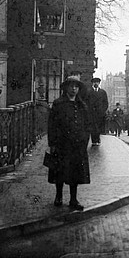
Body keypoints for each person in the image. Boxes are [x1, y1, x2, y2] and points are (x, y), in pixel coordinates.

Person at [47, 75, 91, 211]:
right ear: (66, 87)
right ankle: (58, 196)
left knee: (75, 173)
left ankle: (73, 199)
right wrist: (52, 143)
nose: (73, 89)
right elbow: (52, 125)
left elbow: (87, 125)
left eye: (76, 86)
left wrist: (85, 140)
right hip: (62, 145)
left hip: (77, 145)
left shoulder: (82, 105)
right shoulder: (58, 104)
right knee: (60, 171)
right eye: (71, 86)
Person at [84, 77, 109, 146]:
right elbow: (85, 102)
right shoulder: (88, 92)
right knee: (93, 127)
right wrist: (88, 110)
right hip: (91, 113)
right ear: (92, 83)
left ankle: (97, 139)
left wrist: (103, 110)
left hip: (100, 113)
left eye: (97, 82)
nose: (96, 84)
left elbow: (105, 103)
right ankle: (94, 140)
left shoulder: (103, 92)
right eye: (94, 82)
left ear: (99, 83)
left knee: (99, 126)